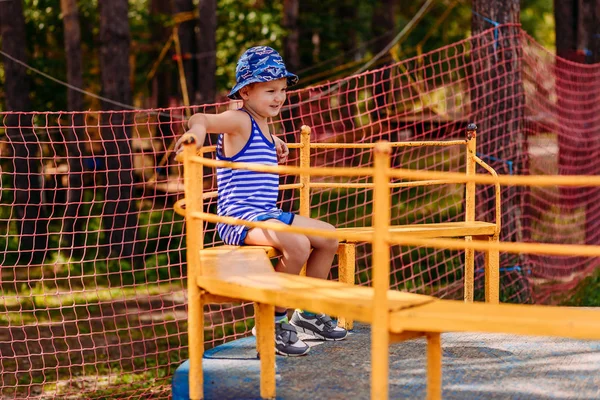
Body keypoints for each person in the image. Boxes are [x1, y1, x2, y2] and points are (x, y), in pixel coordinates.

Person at [174, 46, 347, 357]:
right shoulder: (238, 119)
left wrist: (275, 141)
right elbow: (201, 118)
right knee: (297, 246)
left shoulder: (262, 123)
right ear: (247, 92)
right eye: (270, 90)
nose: (278, 97)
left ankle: (307, 313)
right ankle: (273, 321)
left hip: (266, 214)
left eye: (282, 90)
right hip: (238, 219)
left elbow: (255, 140)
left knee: (328, 236)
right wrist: (196, 136)